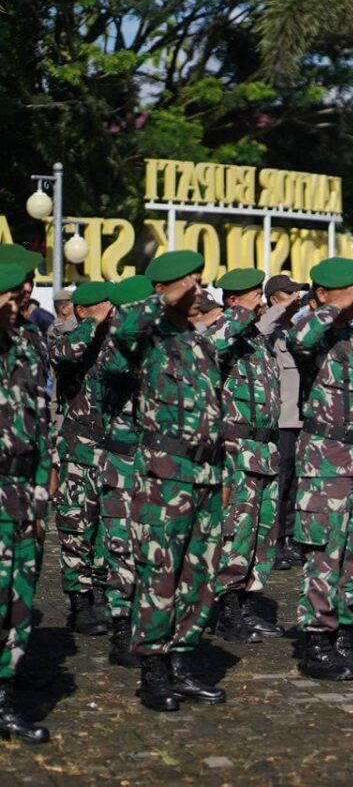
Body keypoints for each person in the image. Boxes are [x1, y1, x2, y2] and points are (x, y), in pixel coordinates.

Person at [112, 250, 252, 712]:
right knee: (161, 573)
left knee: (201, 573)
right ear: (166, 290)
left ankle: (183, 660)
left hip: (208, 471)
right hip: (164, 476)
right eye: (191, 285)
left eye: (200, 284)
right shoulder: (148, 334)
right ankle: (153, 669)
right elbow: (120, 330)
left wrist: (226, 471)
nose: (201, 292)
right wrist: (165, 297)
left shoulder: (199, 340)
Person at [287, 257, 353, 681]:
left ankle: (342, 632)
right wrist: (330, 305)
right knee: (324, 555)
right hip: (325, 461)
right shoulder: (312, 329)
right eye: (347, 290)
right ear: (323, 293)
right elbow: (300, 338)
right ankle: (315, 642)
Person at [211, 268, 288, 645]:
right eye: (253, 295)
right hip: (236, 450)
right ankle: (223, 607)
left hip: (265, 449)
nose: (261, 301)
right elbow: (214, 343)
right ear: (232, 301)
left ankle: (244, 601)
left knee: (261, 533)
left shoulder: (257, 342)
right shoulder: (223, 333)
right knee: (235, 531)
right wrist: (240, 313)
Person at [0, 258, 52, 743]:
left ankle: (5, 692)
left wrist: (38, 501)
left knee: (17, 598)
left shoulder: (25, 345)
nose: (21, 303)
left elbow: (36, 429)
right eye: (13, 296)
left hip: (18, 493)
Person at [95, 275, 155, 669]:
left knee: (152, 545)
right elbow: (119, 363)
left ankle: (149, 625)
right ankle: (121, 626)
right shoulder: (113, 348)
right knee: (121, 545)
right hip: (121, 461)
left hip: (157, 463)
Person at [50, 282, 113, 637]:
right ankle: (79, 601)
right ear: (84, 310)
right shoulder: (66, 338)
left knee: (108, 526)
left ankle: (101, 592)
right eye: (105, 305)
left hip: (112, 449)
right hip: (77, 447)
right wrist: (94, 321)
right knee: (76, 526)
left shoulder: (115, 342)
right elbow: (65, 355)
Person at [266, 274, 307, 571]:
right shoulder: (267, 331)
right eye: (289, 293)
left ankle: (289, 537)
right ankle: (275, 541)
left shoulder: (294, 331)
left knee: (293, 484)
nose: (296, 298)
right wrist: (280, 309)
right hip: (279, 421)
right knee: (278, 485)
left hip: (298, 419)